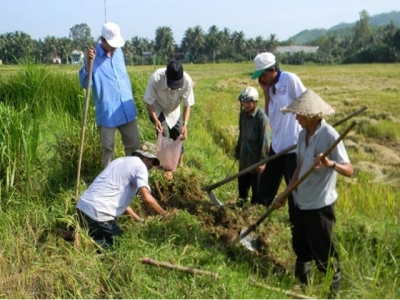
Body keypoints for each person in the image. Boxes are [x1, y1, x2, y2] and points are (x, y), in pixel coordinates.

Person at [273, 89, 354, 298]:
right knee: (301, 247)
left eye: (298, 114)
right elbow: (299, 168)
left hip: (319, 206)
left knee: (324, 254)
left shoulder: (330, 136)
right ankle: (303, 288)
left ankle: (331, 295)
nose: (296, 117)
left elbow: (349, 170)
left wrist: (330, 163)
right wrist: (285, 193)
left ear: (310, 116)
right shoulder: (302, 135)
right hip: (301, 201)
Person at [73, 142, 166, 248]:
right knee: (121, 243)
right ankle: (82, 242)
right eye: (153, 162)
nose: (152, 166)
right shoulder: (140, 167)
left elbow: (118, 199)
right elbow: (146, 198)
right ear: (147, 157)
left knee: (99, 232)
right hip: (97, 214)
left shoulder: (119, 161)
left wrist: (138, 219)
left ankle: (72, 234)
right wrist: (165, 214)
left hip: (81, 208)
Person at [252, 52, 306, 227]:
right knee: (267, 184)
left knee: (294, 189)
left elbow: (306, 102)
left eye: (263, 75)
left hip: (293, 147)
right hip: (277, 146)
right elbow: (269, 116)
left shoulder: (290, 80)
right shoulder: (271, 87)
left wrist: (310, 133)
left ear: (272, 70)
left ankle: (295, 224)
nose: (261, 79)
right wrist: (266, 93)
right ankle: (256, 219)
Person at [79, 22, 141, 168]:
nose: (114, 47)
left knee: (134, 145)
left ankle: (132, 177)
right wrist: (88, 63)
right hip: (107, 112)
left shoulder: (118, 52)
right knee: (108, 149)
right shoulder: (93, 58)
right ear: (102, 40)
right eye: (111, 44)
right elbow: (84, 82)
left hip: (125, 108)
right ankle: (108, 182)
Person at [144, 59, 195, 180]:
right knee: (163, 133)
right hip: (158, 108)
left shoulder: (187, 81)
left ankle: (179, 165)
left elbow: (187, 104)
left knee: (179, 134)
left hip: (173, 110)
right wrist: (156, 120)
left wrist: (185, 124)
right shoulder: (156, 78)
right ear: (166, 76)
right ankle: (165, 167)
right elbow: (149, 103)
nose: (173, 89)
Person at [233, 86, 271, 207]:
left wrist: (263, 162)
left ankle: (253, 214)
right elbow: (241, 134)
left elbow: (266, 141)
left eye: (247, 102)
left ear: (254, 102)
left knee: (256, 194)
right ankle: (240, 209)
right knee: (242, 191)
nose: (244, 104)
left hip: (256, 163)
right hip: (244, 160)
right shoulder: (243, 115)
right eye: (243, 102)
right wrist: (238, 150)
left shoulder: (262, 119)